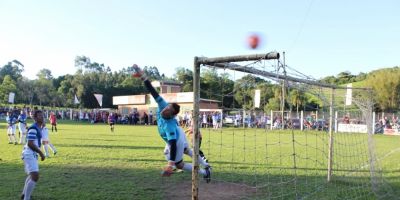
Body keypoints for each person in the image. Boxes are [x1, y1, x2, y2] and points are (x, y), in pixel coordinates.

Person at [133, 64, 211, 182]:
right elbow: (153, 92)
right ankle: (206, 165)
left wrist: (170, 164)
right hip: (179, 130)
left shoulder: (169, 127)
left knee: (179, 164)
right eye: (168, 106)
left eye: (169, 110)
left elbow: (173, 144)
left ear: (172, 114)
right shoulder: (163, 105)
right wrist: (144, 77)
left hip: (177, 136)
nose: (166, 109)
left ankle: (204, 171)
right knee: (186, 150)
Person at [21, 110, 46, 200]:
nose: (42, 117)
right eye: (39, 116)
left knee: (32, 175)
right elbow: (30, 143)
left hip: (31, 153)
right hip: (29, 153)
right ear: (35, 118)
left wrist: (42, 126)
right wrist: (41, 153)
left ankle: (24, 195)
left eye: (42, 115)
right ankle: (26, 198)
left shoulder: (38, 127)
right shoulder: (33, 128)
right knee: (35, 176)